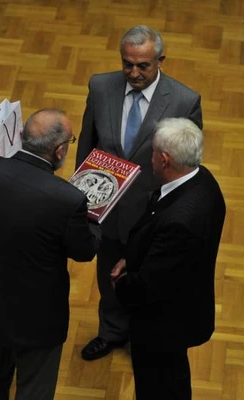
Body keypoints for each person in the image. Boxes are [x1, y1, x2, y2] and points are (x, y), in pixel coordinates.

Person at [76, 25, 203, 360]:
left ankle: (146, 339)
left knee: (150, 282)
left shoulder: (184, 100)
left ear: (160, 60)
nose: (133, 72)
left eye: (143, 65)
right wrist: (83, 198)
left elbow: (187, 166)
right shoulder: (100, 86)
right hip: (109, 212)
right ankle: (111, 332)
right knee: (108, 279)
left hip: (153, 215)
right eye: (127, 63)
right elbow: (88, 146)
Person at [0, 109, 102, 400]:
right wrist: (98, 216)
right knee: (34, 390)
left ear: (24, 137)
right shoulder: (68, 199)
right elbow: (84, 250)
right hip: (38, 321)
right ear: (60, 150)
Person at [111, 117, 226, 399]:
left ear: (164, 160)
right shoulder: (203, 180)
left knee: (157, 386)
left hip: (162, 324)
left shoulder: (180, 222)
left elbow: (150, 285)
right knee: (173, 378)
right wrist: (131, 256)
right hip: (183, 306)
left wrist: (120, 287)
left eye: (152, 153)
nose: (149, 159)